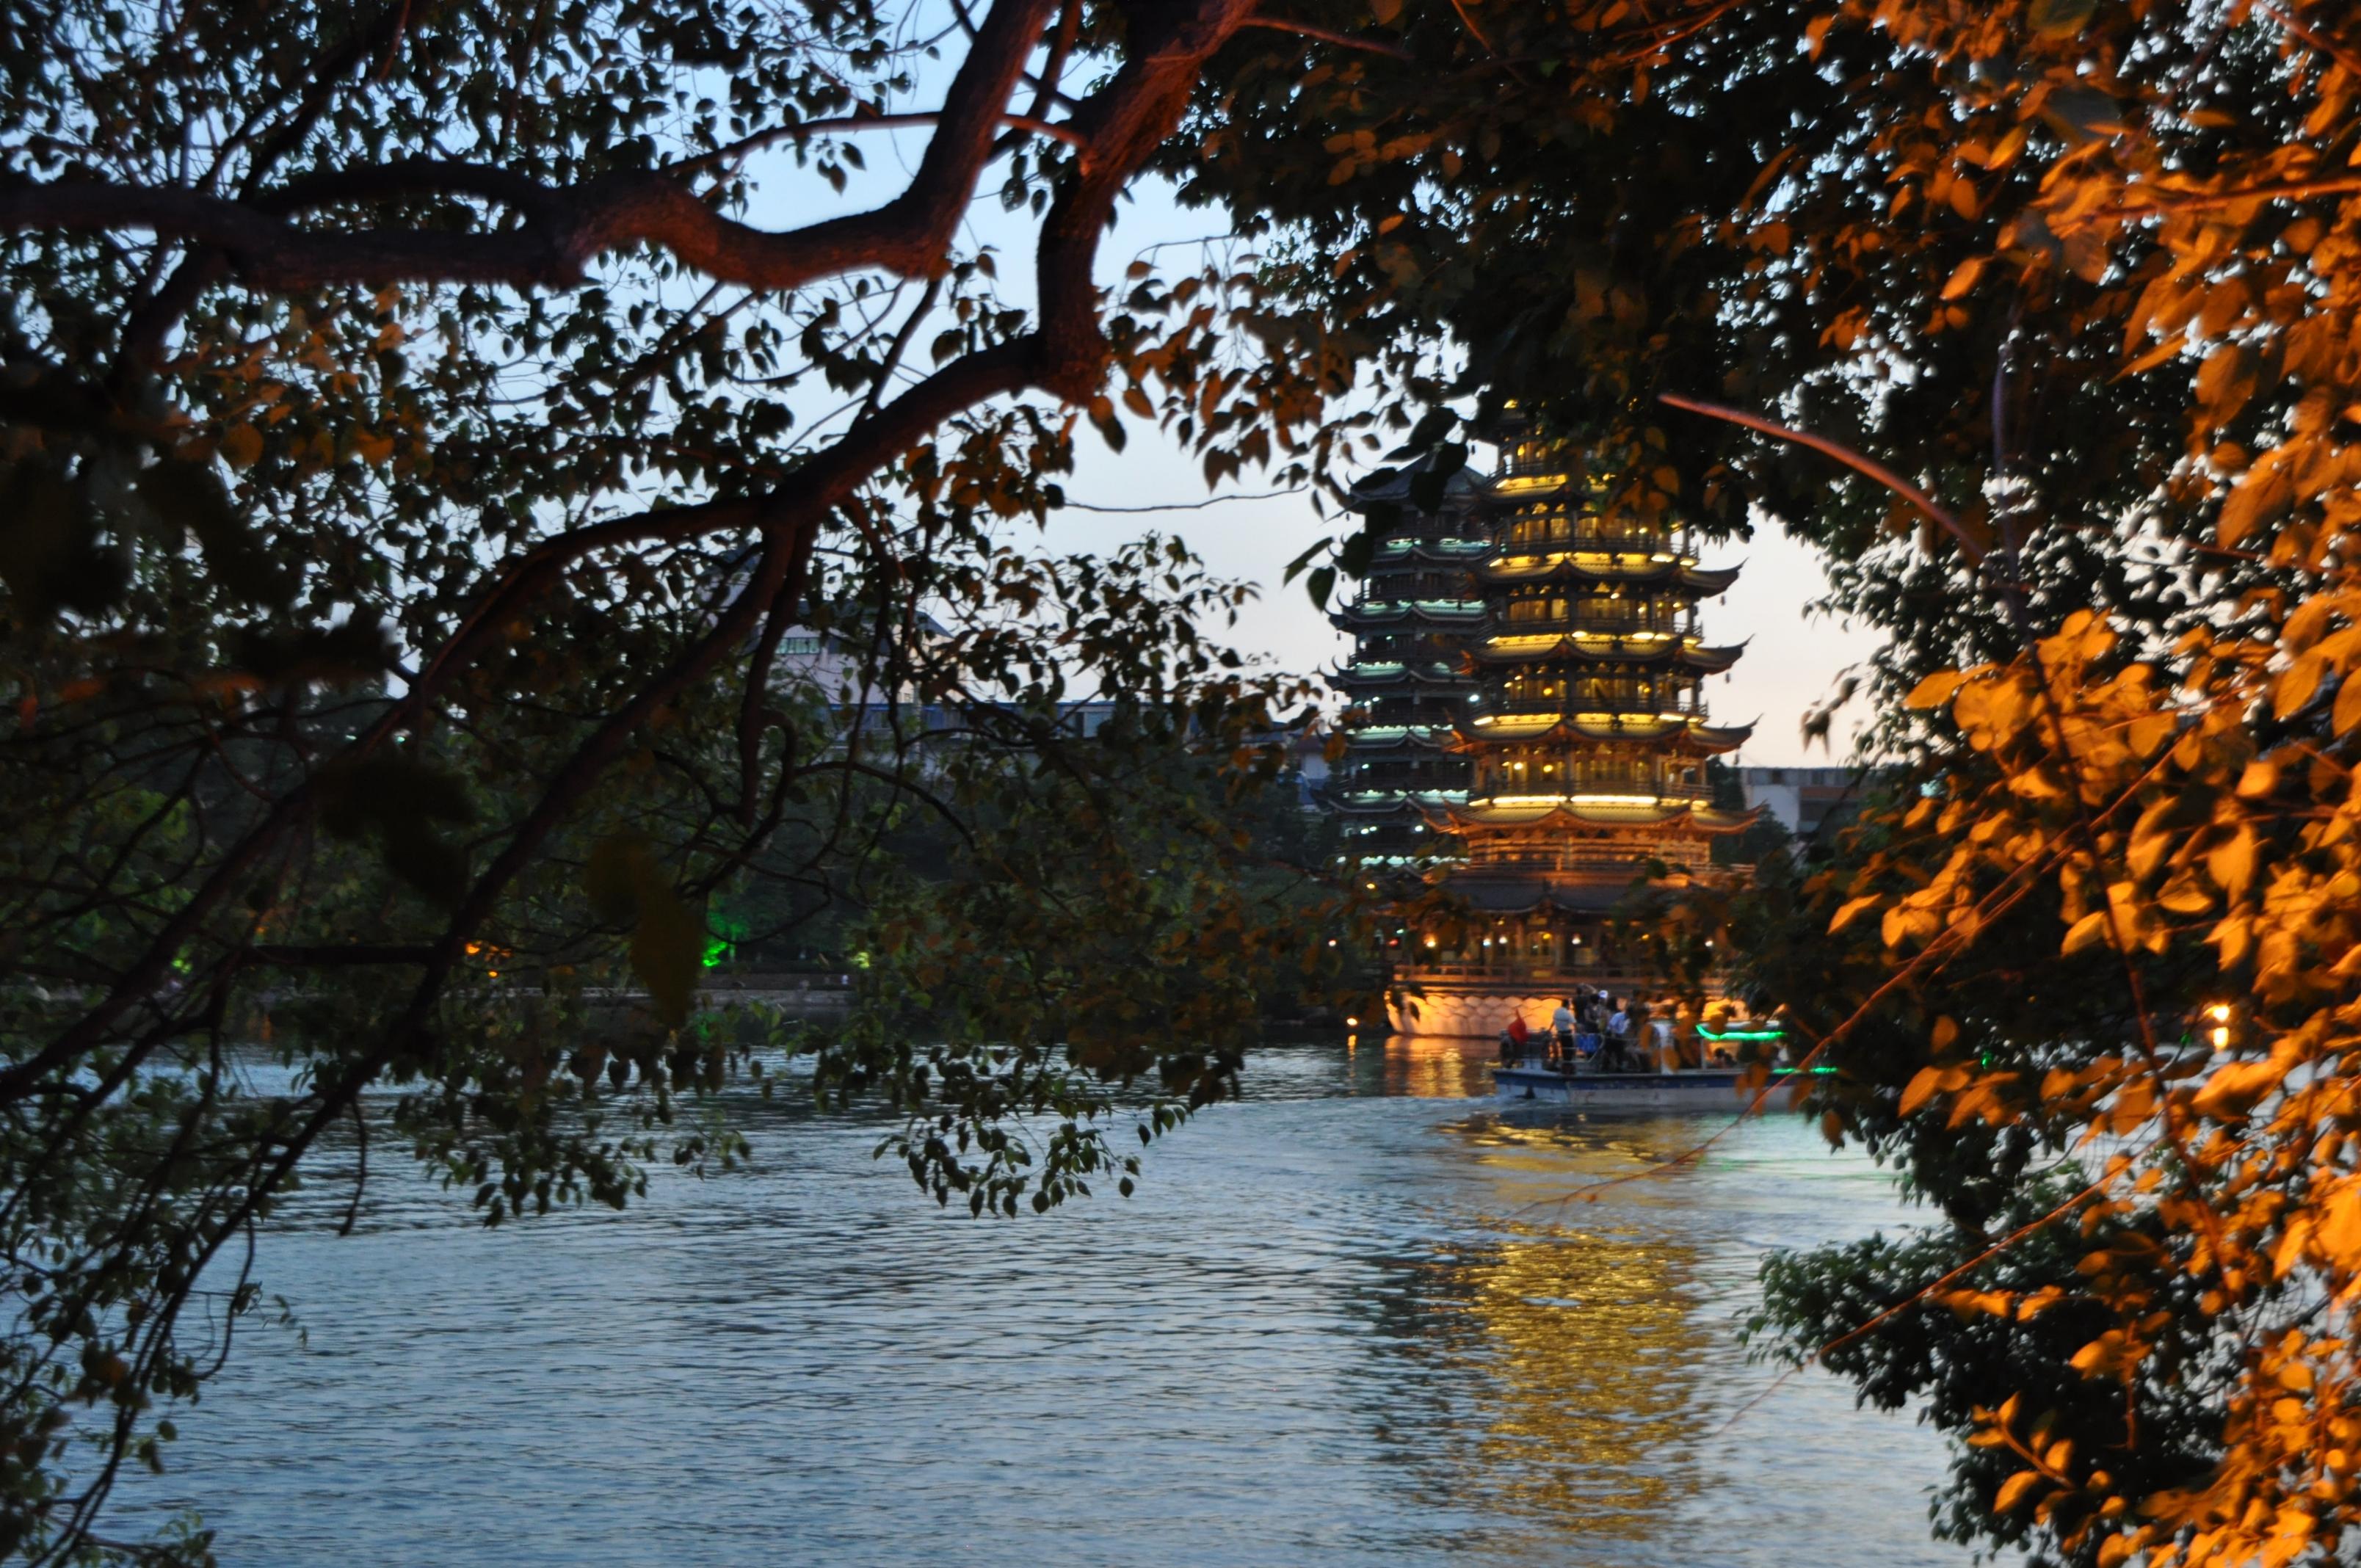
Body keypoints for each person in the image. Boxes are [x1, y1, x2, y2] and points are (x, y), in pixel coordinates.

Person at [1551, 995, 1578, 1072]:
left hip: (1559, 1033)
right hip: (1567, 1034)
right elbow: (1575, 1024)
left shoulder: (1556, 1011)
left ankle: (1565, 1065)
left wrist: (1549, 1029)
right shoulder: (1568, 1014)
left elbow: (1554, 1020)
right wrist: (1579, 1033)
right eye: (1569, 1005)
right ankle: (1568, 1066)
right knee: (1569, 1051)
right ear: (1567, 1005)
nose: (1570, 1006)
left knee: (1563, 1050)